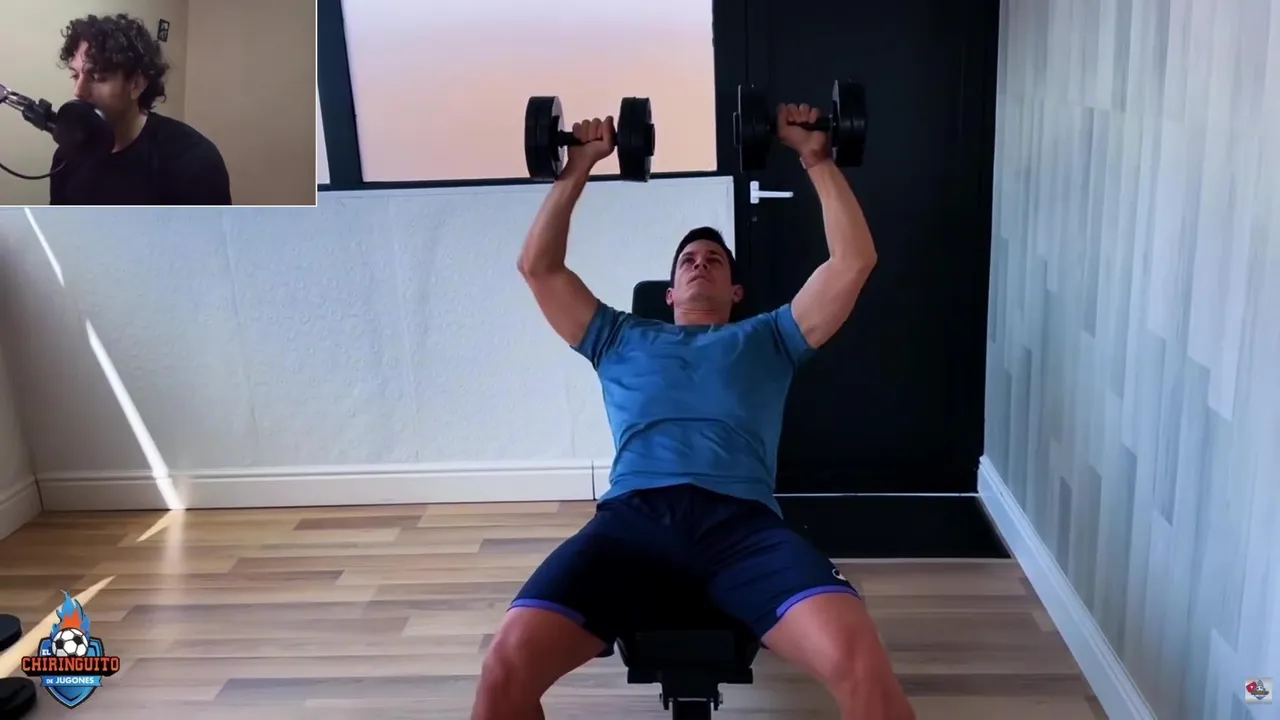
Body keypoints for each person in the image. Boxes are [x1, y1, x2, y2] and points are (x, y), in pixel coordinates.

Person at [480, 104, 914, 720]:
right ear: (669, 294)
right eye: (688, 260)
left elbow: (853, 263)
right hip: (632, 523)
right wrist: (578, 167)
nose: (700, 263)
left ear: (736, 291)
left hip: (744, 527)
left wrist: (816, 158)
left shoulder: (771, 337)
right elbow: (538, 268)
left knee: (863, 664)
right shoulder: (618, 336)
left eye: (715, 260)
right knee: (505, 668)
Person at [49, 13, 231, 205]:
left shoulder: (193, 161)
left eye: (95, 77)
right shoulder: (68, 156)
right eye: (75, 76)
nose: (78, 91)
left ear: (136, 84)